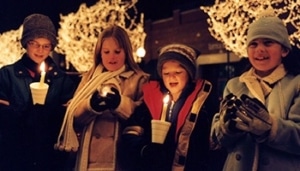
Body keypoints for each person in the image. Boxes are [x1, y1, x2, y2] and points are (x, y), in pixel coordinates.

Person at [210, 11, 300, 171]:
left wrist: (271, 128)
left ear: (284, 50)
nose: (259, 50)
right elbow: (217, 140)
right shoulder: (234, 85)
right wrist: (226, 128)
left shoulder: (296, 84)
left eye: (268, 43)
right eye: (254, 44)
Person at [55, 25, 149, 171]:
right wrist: (91, 106)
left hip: (118, 159)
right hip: (88, 158)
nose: (112, 57)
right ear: (100, 54)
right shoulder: (89, 79)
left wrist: (119, 103)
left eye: (117, 51)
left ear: (126, 52)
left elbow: (141, 114)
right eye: (106, 52)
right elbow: (74, 114)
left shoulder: (139, 79)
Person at [122, 43, 217, 171]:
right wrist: (145, 150)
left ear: (189, 73)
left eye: (178, 72)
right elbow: (130, 132)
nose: (172, 77)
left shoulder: (203, 103)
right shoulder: (151, 100)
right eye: (166, 73)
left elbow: (212, 144)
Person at [0, 13, 76, 170]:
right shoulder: (7, 75)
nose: (40, 50)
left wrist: (48, 113)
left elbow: (68, 117)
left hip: (50, 158)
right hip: (15, 156)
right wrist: (27, 112)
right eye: (35, 43)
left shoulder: (61, 80)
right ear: (26, 43)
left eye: (46, 45)